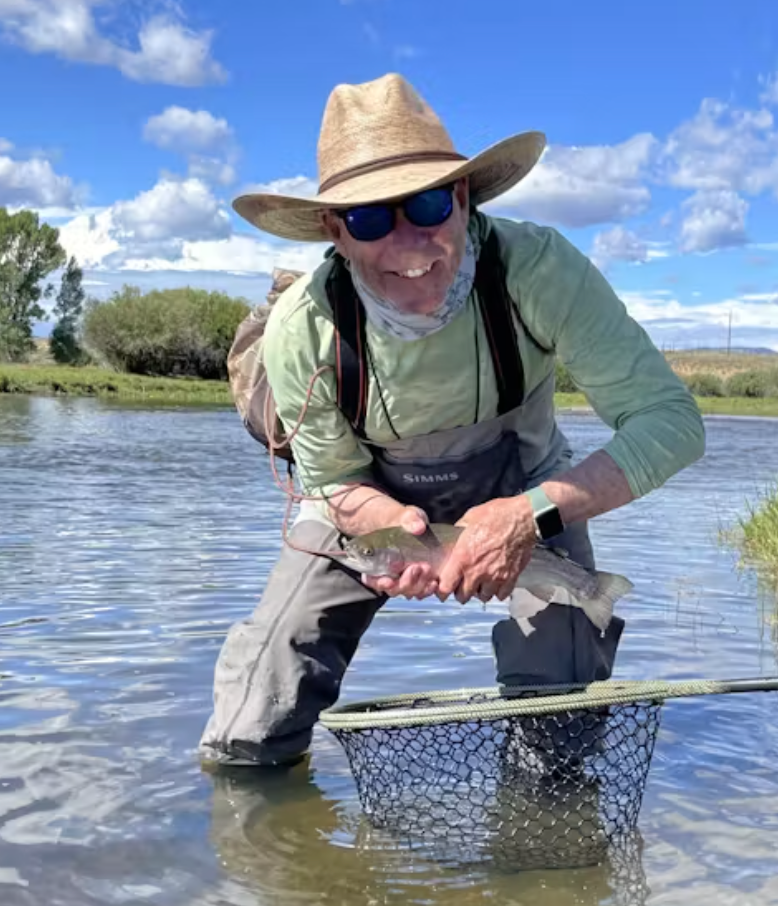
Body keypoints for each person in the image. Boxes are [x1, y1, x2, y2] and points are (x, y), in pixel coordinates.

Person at [197, 72, 705, 768]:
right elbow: (335, 480)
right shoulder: (300, 329)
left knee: (559, 717)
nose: (409, 244)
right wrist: (395, 528)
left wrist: (527, 516)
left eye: (427, 204)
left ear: (462, 197)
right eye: (371, 219)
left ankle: (542, 800)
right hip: (368, 513)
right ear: (335, 230)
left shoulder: (538, 271)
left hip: (530, 494)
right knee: (254, 712)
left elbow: (671, 423)